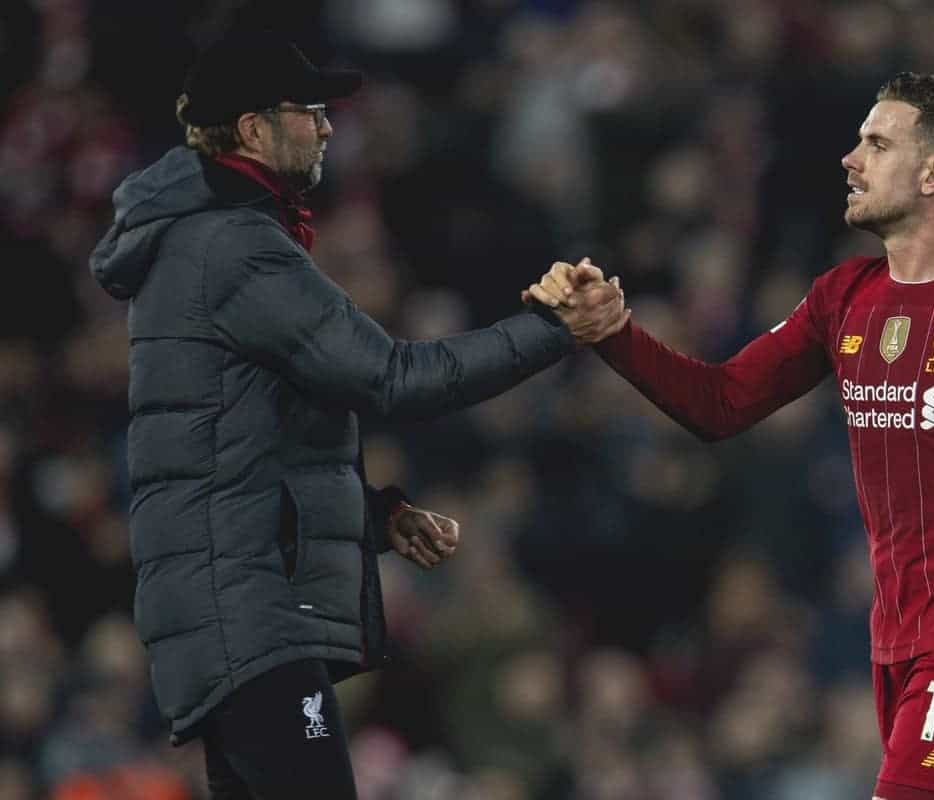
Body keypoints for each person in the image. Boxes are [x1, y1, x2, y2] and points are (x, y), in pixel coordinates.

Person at [526, 72, 934, 800]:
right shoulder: (842, 297)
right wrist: (615, 335)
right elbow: (721, 403)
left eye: (876, 143)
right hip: (896, 631)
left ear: (933, 173)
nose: (850, 159)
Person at [88, 31, 625, 800]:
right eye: (309, 110)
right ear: (251, 130)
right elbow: (392, 378)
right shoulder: (233, 246)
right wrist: (553, 329)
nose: (329, 126)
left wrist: (377, 517)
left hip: (228, 617)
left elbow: (232, 456)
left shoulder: (202, 239)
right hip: (252, 622)